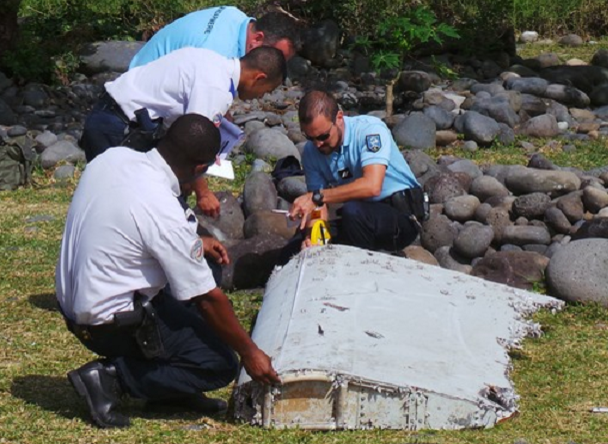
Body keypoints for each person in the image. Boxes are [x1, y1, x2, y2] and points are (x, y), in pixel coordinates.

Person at [57, 114, 281, 429]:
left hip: (75, 304)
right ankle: (111, 378)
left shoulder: (113, 158)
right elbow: (208, 299)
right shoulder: (161, 207)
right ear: (199, 168)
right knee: (217, 363)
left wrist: (195, 242)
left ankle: (172, 390)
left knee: (205, 271)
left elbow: (130, 227)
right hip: (107, 324)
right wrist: (250, 352)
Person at [79, 45, 286, 217]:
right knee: (119, 205)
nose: (261, 97)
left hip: (109, 113)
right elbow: (193, 145)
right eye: (266, 90)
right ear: (259, 77)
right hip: (120, 128)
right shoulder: (216, 88)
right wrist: (203, 193)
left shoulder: (211, 59)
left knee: (110, 199)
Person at [284, 89, 425, 258]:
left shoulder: (369, 130)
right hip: (361, 215)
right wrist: (313, 236)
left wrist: (317, 196)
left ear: (339, 118)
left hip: (401, 216)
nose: (317, 144)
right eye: (310, 137)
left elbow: (372, 186)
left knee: (353, 212)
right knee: (296, 245)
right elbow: (318, 207)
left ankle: (366, 265)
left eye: (323, 136)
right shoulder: (311, 152)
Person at [129, 5, 298, 69]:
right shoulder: (217, 55)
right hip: (139, 101)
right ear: (257, 39)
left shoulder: (235, 15)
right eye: (277, 58)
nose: (277, 67)